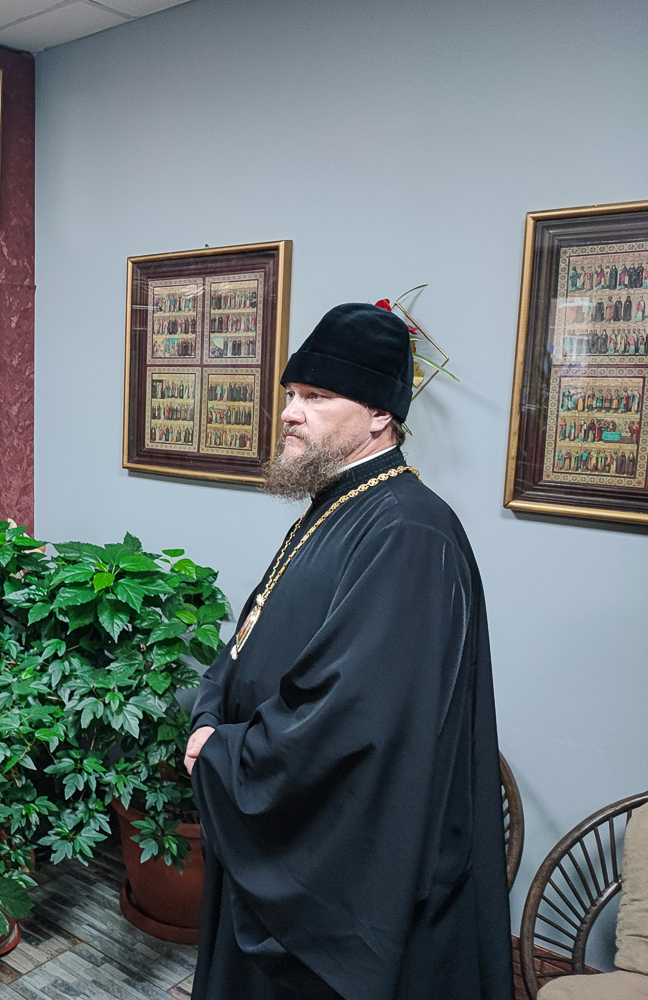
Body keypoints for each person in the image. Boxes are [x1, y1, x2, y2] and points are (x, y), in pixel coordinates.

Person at [183, 302, 511, 1000]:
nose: (290, 413)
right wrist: (212, 704)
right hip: (267, 825)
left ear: (380, 415)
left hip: (331, 865)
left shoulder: (407, 530)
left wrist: (227, 753)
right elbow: (252, 631)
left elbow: (357, 717)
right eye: (290, 394)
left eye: (316, 397)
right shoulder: (336, 502)